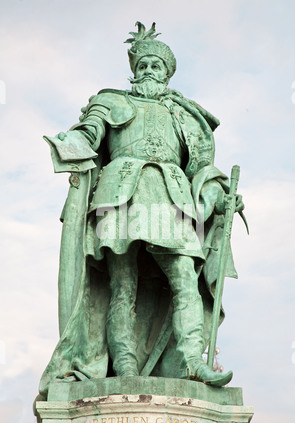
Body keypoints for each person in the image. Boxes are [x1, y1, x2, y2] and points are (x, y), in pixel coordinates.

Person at [39, 22, 244, 398]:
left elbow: (201, 165)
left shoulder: (186, 116)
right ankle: (126, 368)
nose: (148, 71)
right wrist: (71, 142)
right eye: (143, 65)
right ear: (134, 71)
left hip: (173, 197)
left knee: (184, 275)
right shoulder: (111, 100)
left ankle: (190, 361)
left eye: (156, 66)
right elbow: (89, 133)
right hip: (118, 193)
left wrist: (219, 192)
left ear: (167, 73)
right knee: (122, 284)